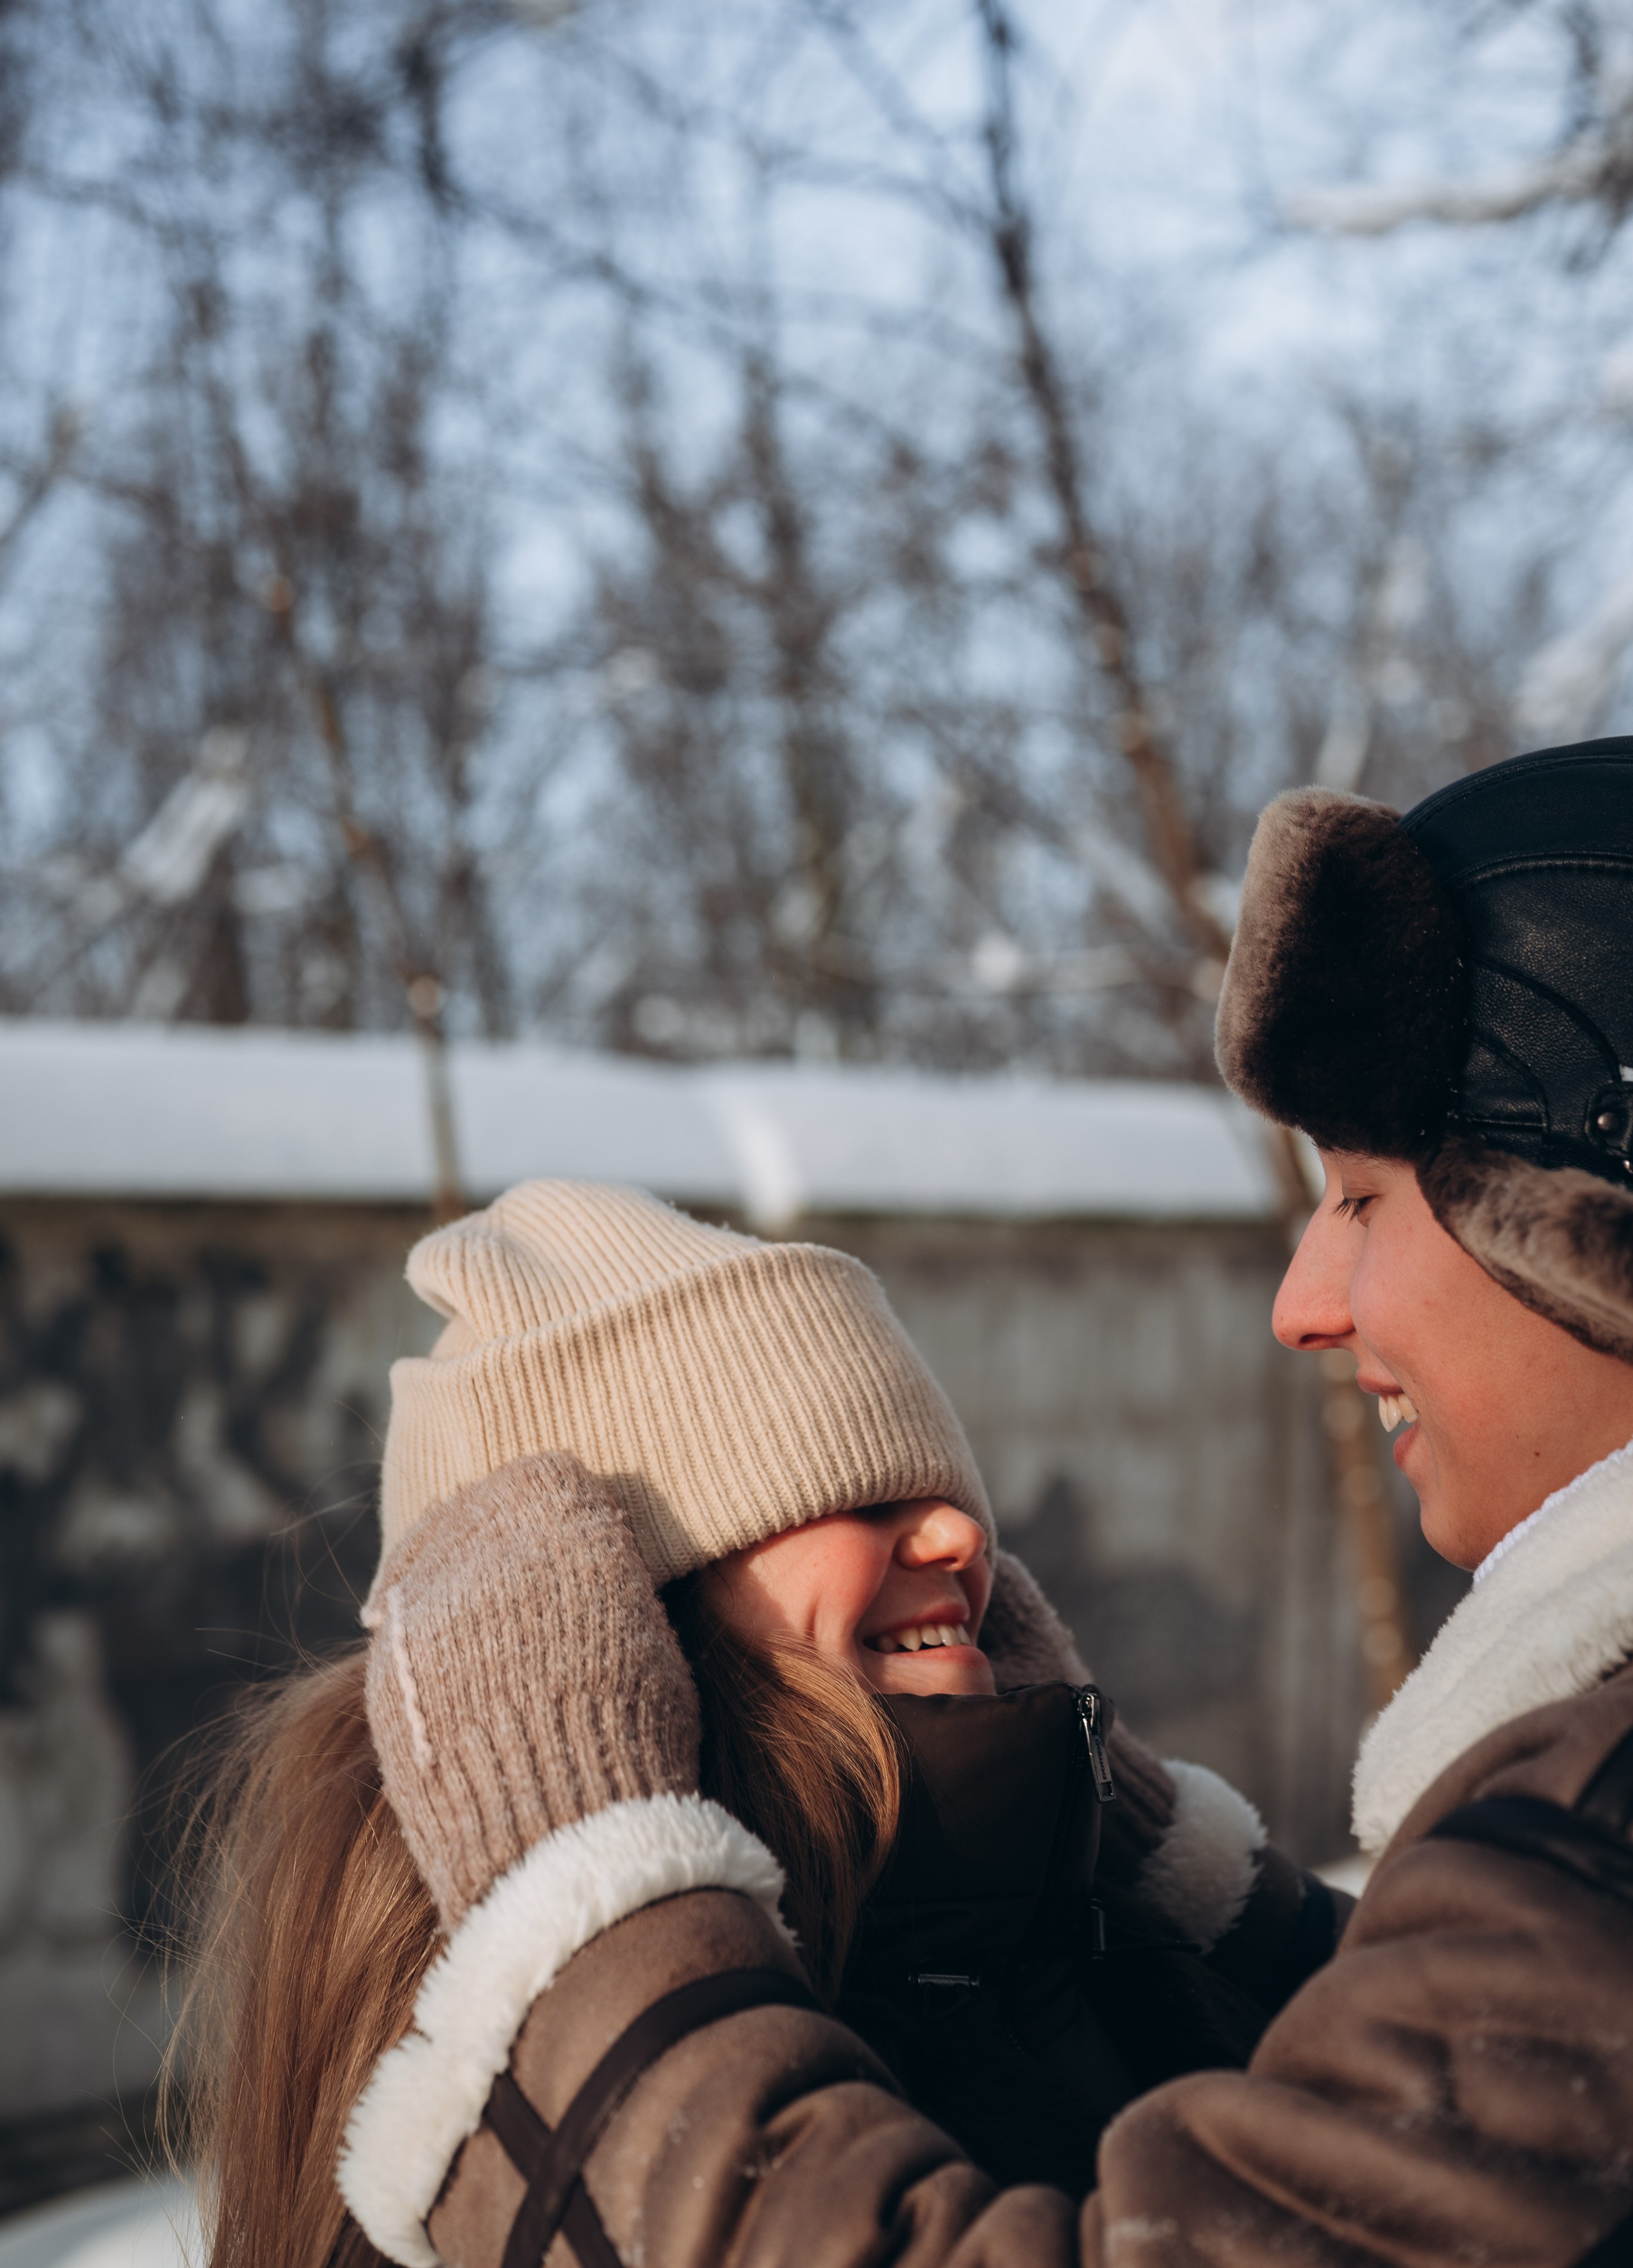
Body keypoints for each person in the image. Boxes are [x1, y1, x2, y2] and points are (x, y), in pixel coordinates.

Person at [340, 735, 1633, 2268]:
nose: (1299, 1303)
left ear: (1573, 1222)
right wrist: (1203, 1909)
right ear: (615, 1620)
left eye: (1358, 1197)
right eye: (836, 1487)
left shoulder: (1588, 1818)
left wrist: (586, 1930)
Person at [177, 1182, 1331, 2268]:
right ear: (619, 1617)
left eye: (945, 1490)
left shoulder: (1076, 1946)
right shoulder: (485, 2157)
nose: (966, 1542)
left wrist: (1145, 1861)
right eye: (866, 1492)